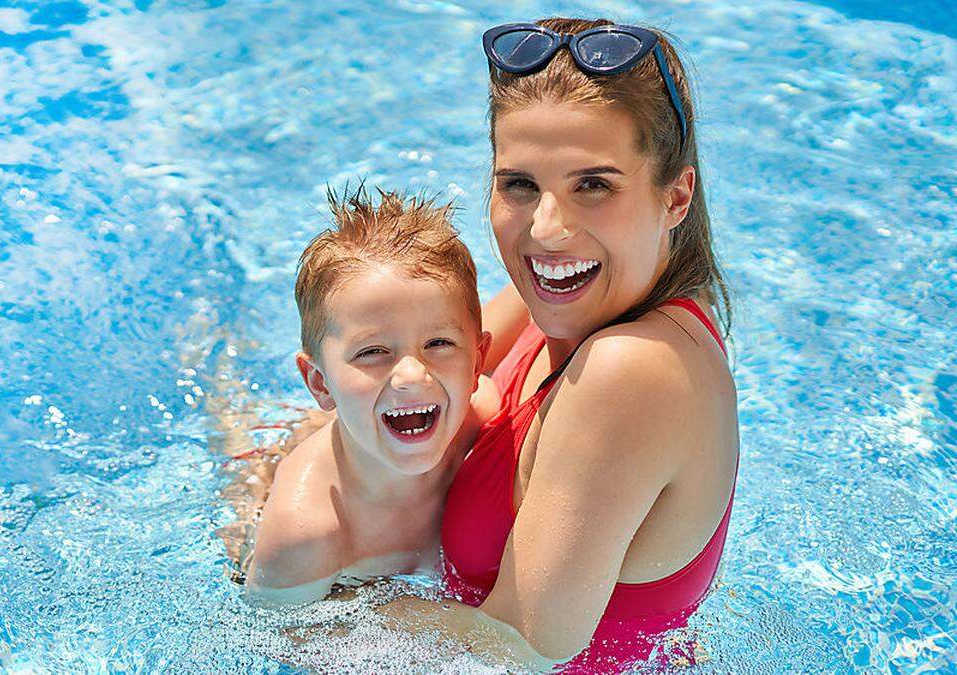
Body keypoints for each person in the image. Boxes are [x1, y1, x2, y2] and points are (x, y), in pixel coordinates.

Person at [379, 17, 739, 672]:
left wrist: (304, 603)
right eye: (519, 184)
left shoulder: (631, 370)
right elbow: (406, 387)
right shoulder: (569, 293)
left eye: (593, 185)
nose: (547, 229)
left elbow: (517, 649)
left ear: (676, 195)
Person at [243, 186, 499, 606]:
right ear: (320, 383)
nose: (412, 375)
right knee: (248, 468)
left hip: (359, 423)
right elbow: (276, 638)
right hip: (266, 505)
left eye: (438, 343)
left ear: (476, 363)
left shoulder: (482, 422)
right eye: (373, 352)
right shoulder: (305, 531)